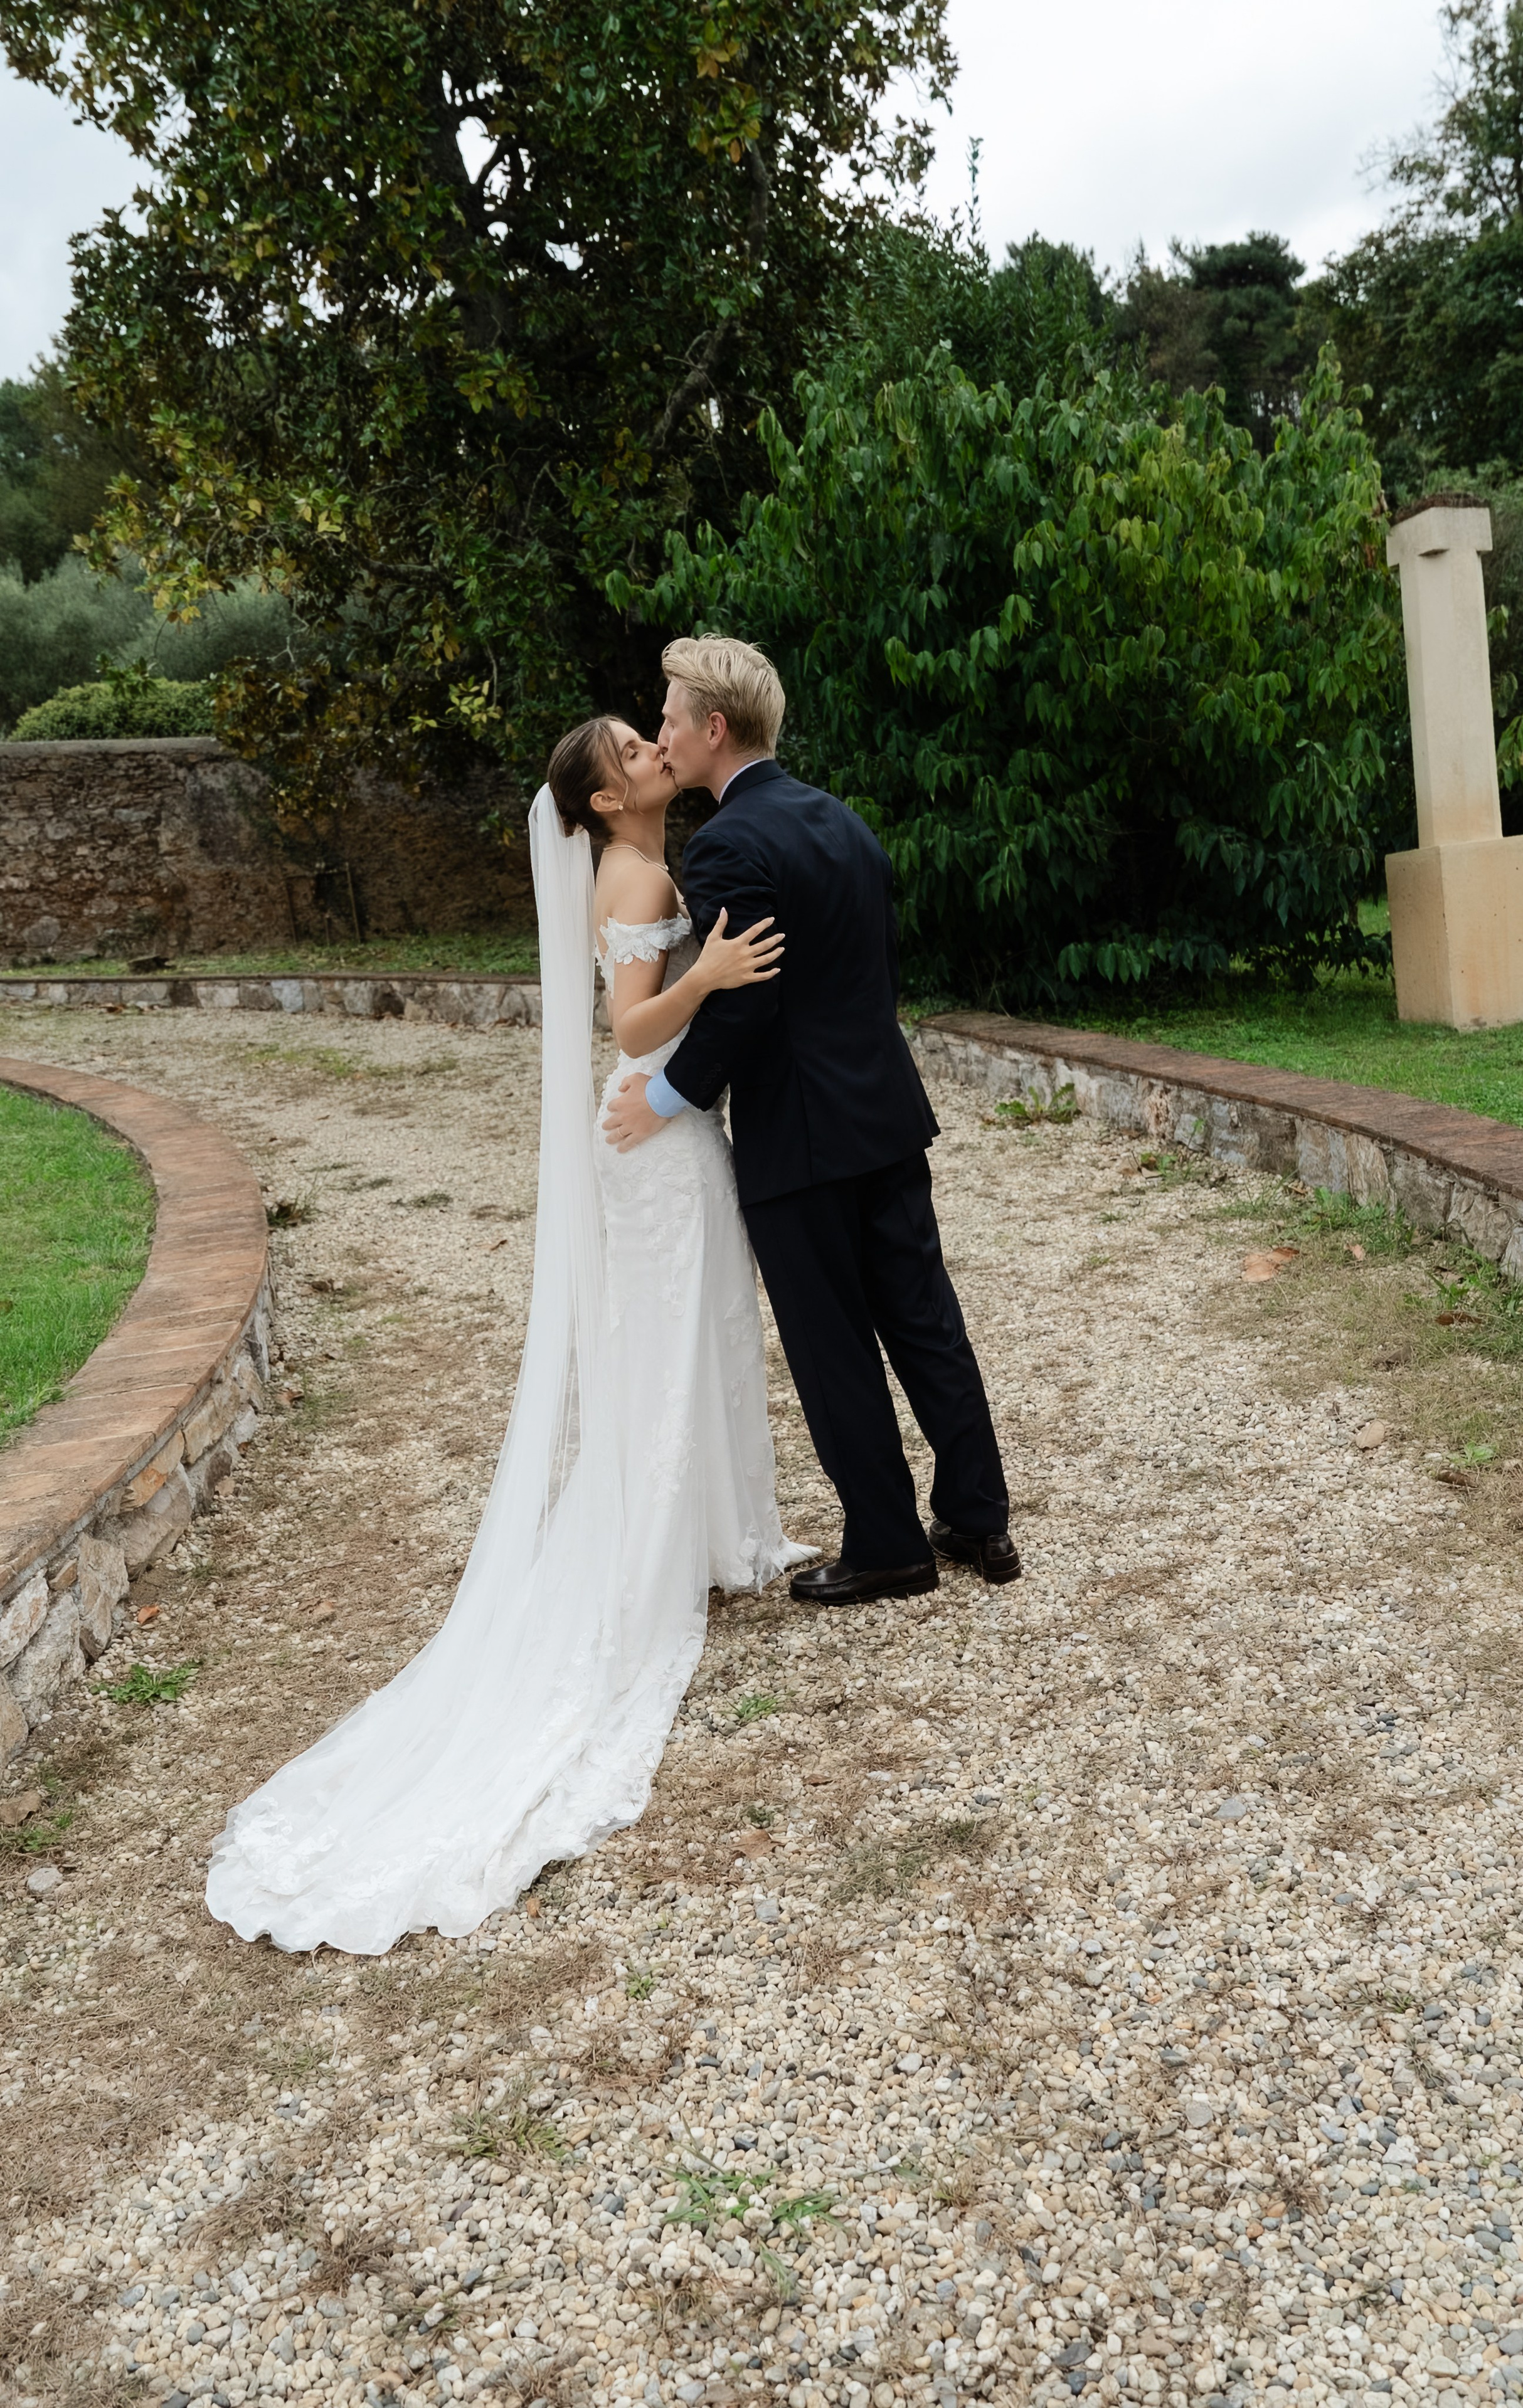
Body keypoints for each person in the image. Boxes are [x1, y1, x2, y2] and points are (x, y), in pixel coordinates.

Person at [206, 717, 812, 1955]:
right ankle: (660, 1554)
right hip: (653, 1132)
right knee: (664, 1352)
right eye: (633, 749)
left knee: (684, 1343)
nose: (653, 750)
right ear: (598, 797)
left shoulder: (647, 861)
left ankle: (708, 1530)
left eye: (651, 738)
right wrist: (708, 978)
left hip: (659, 1131)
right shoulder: (634, 873)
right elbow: (636, 1026)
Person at [604, 635, 1017, 1605]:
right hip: (886, 1117)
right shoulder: (844, 823)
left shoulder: (729, 846)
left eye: (668, 718)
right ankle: (979, 1520)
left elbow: (742, 1004)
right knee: (926, 1324)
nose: (660, 734)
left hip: (802, 1137)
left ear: (713, 727)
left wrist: (665, 1099)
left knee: (833, 1345)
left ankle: (889, 1548)